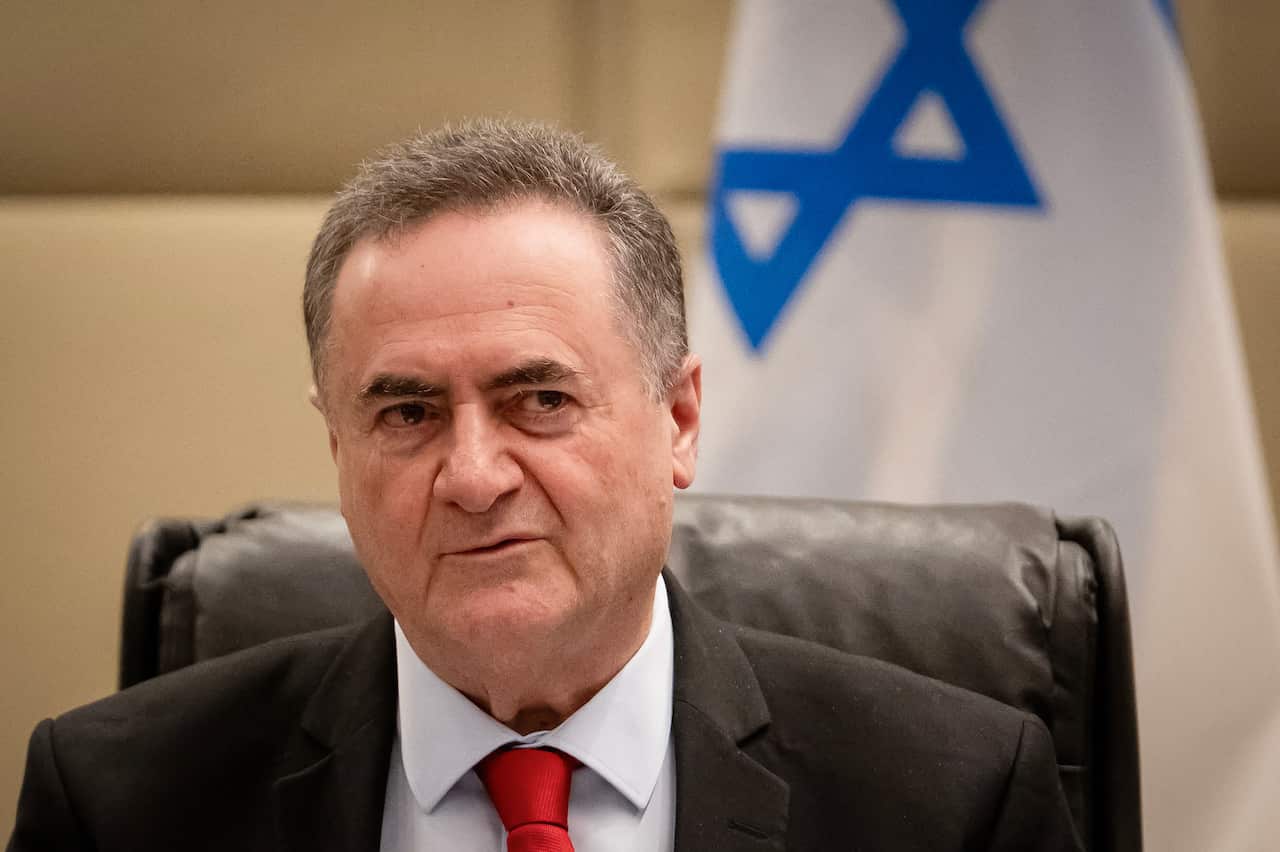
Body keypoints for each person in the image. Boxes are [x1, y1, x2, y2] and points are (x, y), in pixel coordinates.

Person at [8, 119, 1082, 851]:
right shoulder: (119, 805)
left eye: (540, 399)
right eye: (406, 414)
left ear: (678, 421)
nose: (473, 477)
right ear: (338, 449)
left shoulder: (951, 801)